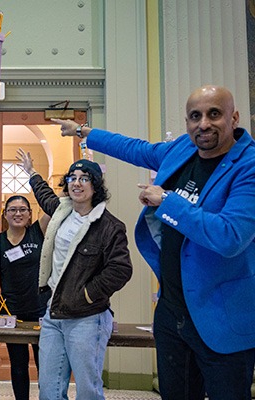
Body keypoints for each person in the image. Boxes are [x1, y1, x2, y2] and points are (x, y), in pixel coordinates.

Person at [52, 85, 255, 400]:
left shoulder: (248, 166)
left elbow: (230, 236)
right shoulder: (183, 150)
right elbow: (135, 149)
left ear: (234, 117)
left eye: (214, 114)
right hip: (173, 311)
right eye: (195, 116)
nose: (204, 124)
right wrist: (83, 131)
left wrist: (168, 202)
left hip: (222, 317)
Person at [16, 148, 133, 400]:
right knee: (49, 390)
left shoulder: (109, 226)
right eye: (72, 178)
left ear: (95, 186)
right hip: (53, 314)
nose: (76, 183)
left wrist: (87, 295)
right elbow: (44, 194)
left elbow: (121, 269)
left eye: (84, 178)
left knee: (87, 391)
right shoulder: (61, 210)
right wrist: (31, 172)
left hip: (87, 318)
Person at [0, 195, 50, 400]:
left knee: (45, 366)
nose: (17, 213)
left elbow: (56, 205)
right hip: (12, 313)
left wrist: (33, 175)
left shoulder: (38, 231)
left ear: (30, 214)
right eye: (12, 209)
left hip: (41, 311)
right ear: (5, 214)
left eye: (22, 209)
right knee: (18, 366)